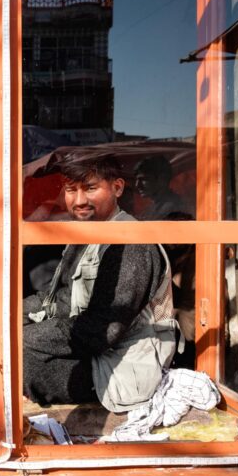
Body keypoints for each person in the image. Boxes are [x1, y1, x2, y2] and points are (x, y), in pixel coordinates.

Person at [22, 155, 179, 413]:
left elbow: (104, 329)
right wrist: (10, 316)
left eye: (91, 188)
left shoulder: (131, 244)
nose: (80, 200)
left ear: (117, 188)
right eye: (72, 190)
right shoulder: (88, 233)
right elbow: (61, 299)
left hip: (121, 369)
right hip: (96, 353)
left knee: (22, 360)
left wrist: (25, 337)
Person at [133, 155, 191, 221]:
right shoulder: (153, 208)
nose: (137, 185)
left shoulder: (172, 208)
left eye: (144, 179)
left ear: (162, 179)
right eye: (137, 180)